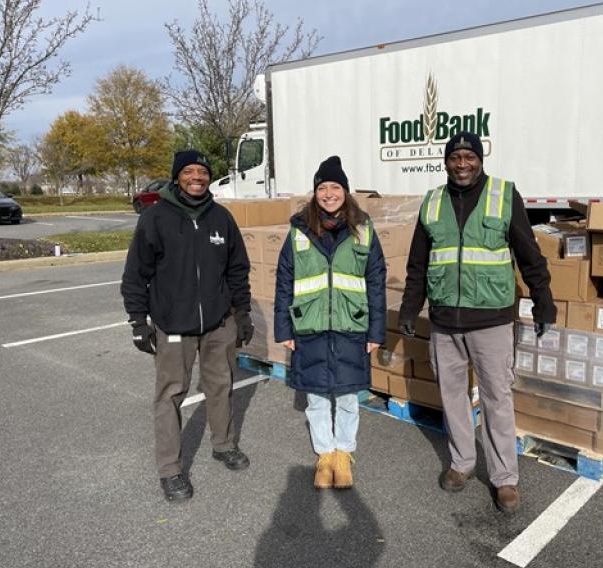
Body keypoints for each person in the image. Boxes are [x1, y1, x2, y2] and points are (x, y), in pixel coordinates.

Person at [398, 132, 556, 512]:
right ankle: (462, 463)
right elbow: (418, 263)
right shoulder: (433, 201)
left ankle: (505, 479)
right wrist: (409, 308)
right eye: (456, 157)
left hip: (491, 320)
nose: (462, 163)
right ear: (446, 162)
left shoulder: (504, 195)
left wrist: (543, 301)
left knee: (496, 398)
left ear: (480, 159)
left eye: (469, 156)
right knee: (452, 397)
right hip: (444, 322)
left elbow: (528, 254)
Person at [121, 149, 254, 502]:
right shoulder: (155, 218)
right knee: (169, 396)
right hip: (172, 324)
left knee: (221, 386)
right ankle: (170, 470)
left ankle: (223, 445)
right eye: (189, 171)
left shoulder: (222, 218)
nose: (197, 177)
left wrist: (242, 313)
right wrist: (138, 320)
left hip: (218, 324)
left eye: (203, 172)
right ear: (177, 176)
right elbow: (136, 274)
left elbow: (237, 270)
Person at [274, 156, 386, 489]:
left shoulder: (364, 229)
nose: (328, 194)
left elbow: (376, 279)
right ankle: (324, 454)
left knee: (349, 396)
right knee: (317, 396)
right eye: (322, 188)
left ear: (345, 192)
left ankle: (343, 454)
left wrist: (376, 330)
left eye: (335, 187)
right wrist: (284, 328)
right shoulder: (298, 230)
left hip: (352, 324)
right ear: (315, 193)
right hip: (310, 325)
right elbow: (284, 279)